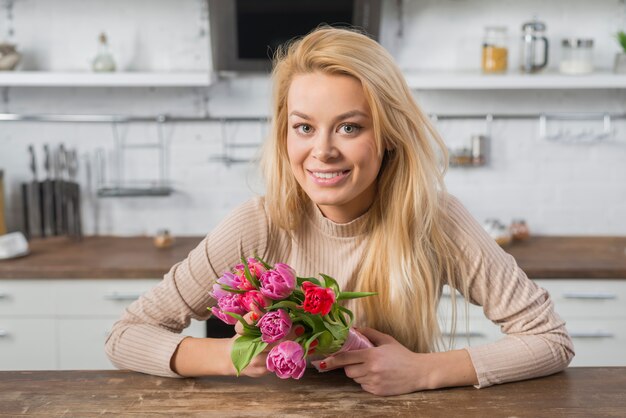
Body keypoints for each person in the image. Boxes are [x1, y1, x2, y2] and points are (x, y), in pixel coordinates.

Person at [105, 26, 574, 396]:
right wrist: (231, 356)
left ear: (388, 136)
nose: (322, 151)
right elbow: (126, 336)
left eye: (349, 127)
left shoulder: (436, 218)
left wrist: (422, 370)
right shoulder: (259, 222)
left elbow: (549, 340)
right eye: (304, 127)